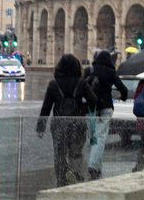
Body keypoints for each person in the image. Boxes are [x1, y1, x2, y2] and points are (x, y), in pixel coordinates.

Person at [37, 53, 97, 188]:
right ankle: (74, 173)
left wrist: (40, 127)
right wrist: (82, 109)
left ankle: (61, 179)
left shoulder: (53, 84)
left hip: (59, 124)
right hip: (78, 124)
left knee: (59, 153)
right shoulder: (81, 83)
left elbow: (46, 107)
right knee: (75, 153)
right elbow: (93, 100)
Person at [86, 50, 127, 180]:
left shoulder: (89, 70)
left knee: (93, 137)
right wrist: (122, 97)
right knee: (101, 137)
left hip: (90, 108)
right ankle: (94, 165)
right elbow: (124, 90)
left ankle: (96, 165)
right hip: (105, 107)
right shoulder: (111, 72)